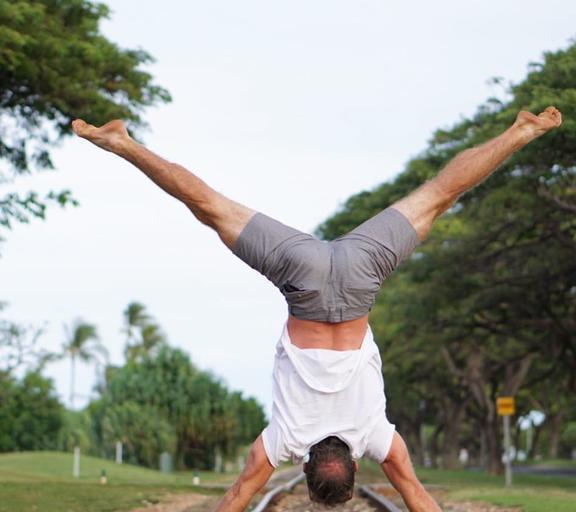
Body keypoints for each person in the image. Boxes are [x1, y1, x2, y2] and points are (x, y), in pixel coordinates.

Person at [72, 106, 562, 511]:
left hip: (358, 275)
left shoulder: (376, 438)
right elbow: (241, 493)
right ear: (305, 468)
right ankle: (124, 143)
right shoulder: (285, 439)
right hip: (301, 278)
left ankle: (522, 130)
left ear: (357, 464)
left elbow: (415, 494)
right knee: (209, 206)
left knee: (438, 195)